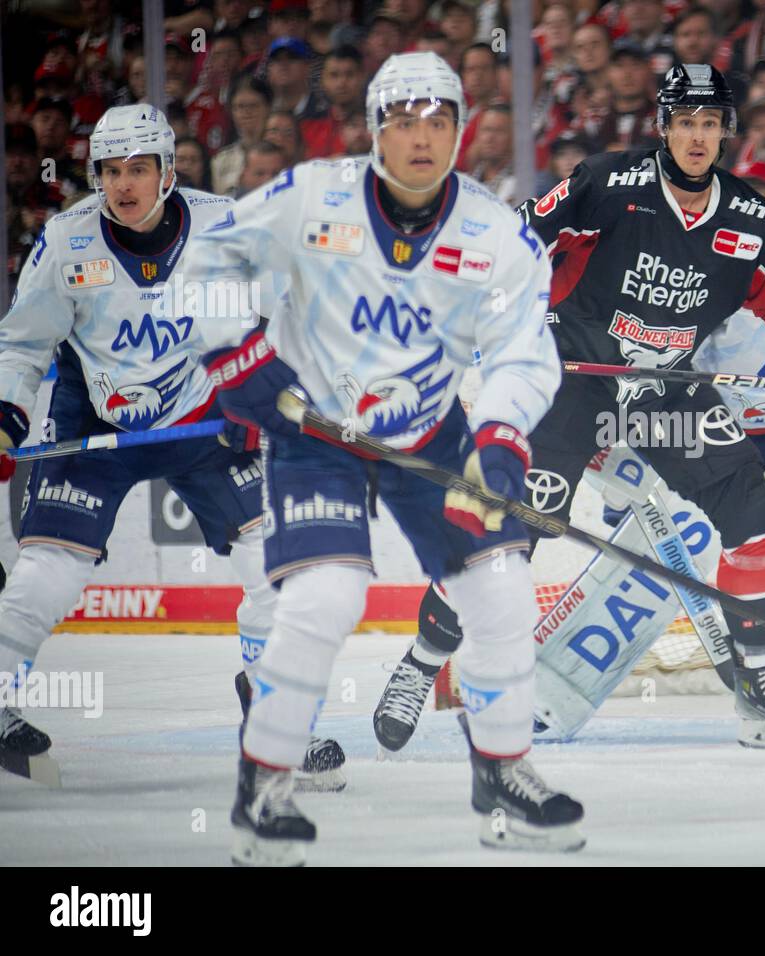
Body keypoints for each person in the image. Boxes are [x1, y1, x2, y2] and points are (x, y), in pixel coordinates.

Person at [375, 65, 765, 752]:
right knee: (510, 526)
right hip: (572, 377)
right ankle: (421, 663)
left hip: (663, 388)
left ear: (724, 131)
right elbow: (518, 245)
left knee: (755, 514)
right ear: (664, 126)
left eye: (710, 124)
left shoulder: (750, 217)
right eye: (685, 123)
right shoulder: (607, 184)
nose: (698, 137)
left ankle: (758, 685)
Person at [190, 51, 583, 864]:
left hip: (427, 431)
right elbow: (214, 256)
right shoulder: (311, 197)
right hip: (315, 431)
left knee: (502, 588)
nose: (420, 137)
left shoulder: (493, 233)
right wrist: (236, 359)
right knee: (324, 598)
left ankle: (504, 771)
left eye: (438, 120)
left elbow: (521, 350)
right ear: (375, 129)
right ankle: (263, 788)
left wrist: (501, 444)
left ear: (460, 130)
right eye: (402, 120)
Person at [0, 105, 344, 791]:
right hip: (96, 424)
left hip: (205, 422)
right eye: (110, 171)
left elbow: (284, 312)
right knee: (47, 573)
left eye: (138, 169)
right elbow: (23, 342)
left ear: (168, 170)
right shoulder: (67, 243)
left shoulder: (223, 225)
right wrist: (6, 414)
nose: (123, 185)